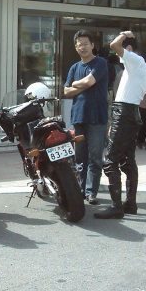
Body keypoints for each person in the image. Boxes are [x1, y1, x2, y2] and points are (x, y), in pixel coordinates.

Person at [95, 31, 146, 219]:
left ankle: (116, 206)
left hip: (125, 113)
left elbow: (114, 45)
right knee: (127, 160)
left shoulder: (135, 60)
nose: (118, 56)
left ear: (129, 49)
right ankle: (130, 203)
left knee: (110, 161)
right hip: (127, 112)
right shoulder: (135, 66)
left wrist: (124, 34)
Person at [64, 30, 109, 205]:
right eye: (79, 44)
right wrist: (82, 85)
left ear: (92, 45)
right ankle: (81, 190)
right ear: (75, 47)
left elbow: (89, 82)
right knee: (80, 157)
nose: (82, 47)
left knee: (95, 157)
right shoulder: (74, 68)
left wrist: (76, 84)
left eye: (85, 44)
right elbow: (66, 91)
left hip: (97, 117)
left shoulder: (101, 63)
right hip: (79, 116)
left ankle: (91, 192)